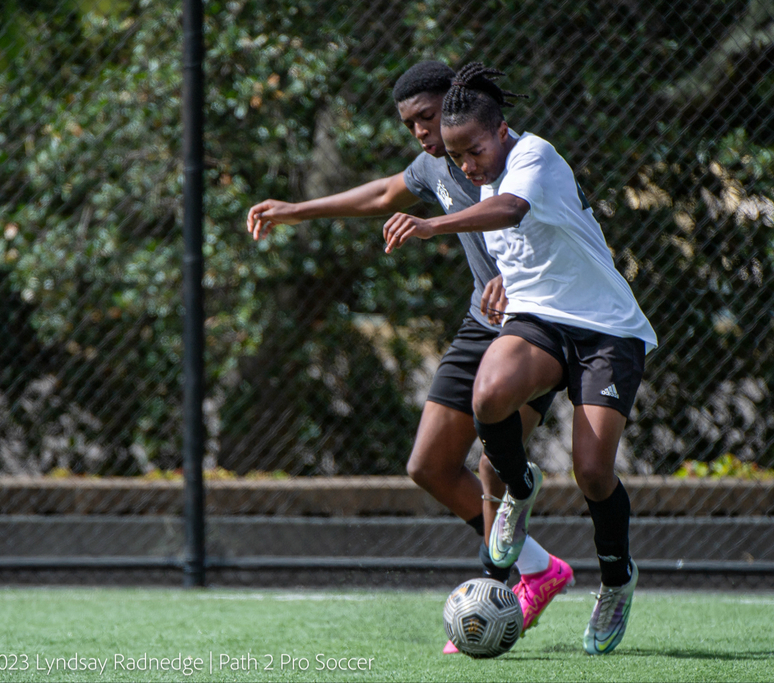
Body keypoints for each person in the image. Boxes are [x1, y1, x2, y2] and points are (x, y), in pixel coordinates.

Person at [245, 61, 573, 653]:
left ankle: (497, 589)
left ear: (458, 103)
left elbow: (547, 223)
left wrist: (517, 278)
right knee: (428, 465)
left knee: (492, 464)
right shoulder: (432, 166)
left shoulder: (510, 156)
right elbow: (381, 193)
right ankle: (538, 566)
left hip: (536, 327)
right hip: (480, 323)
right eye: (410, 124)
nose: (422, 131)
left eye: (428, 116)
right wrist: (295, 210)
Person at [383, 62, 657, 655]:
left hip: (605, 330)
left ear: (501, 131)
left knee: (592, 471)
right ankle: (519, 486)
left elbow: (512, 211)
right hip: (540, 323)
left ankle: (616, 579)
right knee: (487, 396)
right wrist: (503, 282)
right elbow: (525, 249)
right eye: (458, 157)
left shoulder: (535, 156)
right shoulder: (480, 174)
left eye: (475, 151)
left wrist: (430, 224)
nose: (467, 166)